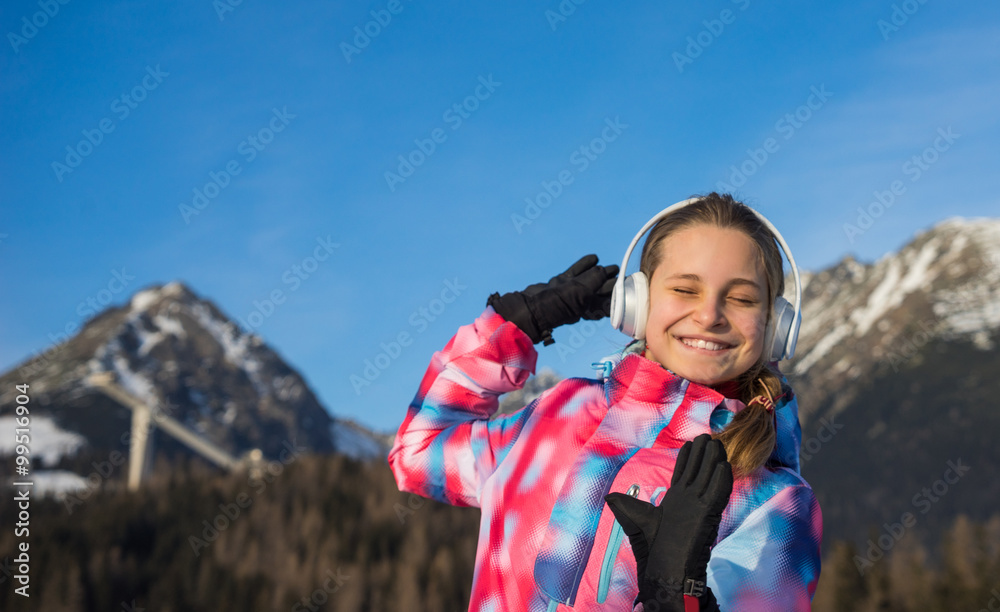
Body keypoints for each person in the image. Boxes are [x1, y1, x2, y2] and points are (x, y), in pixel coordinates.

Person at [388, 192, 823, 611]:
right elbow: (418, 452)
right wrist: (510, 329)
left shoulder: (774, 500)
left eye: (742, 298)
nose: (710, 315)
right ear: (639, 303)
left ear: (775, 326)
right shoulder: (559, 412)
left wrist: (680, 600)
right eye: (685, 290)